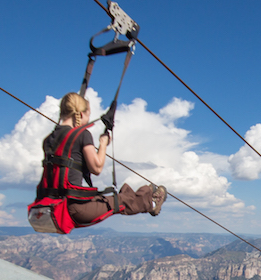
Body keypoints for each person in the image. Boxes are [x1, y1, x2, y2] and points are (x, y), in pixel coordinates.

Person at [36, 92, 166, 228]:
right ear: (80, 115)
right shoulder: (82, 135)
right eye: (88, 115)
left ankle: (143, 192)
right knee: (120, 202)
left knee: (110, 199)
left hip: (53, 206)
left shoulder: (49, 140)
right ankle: (151, 202)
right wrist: (103, 144)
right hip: (75, 209)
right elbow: (96, 167)